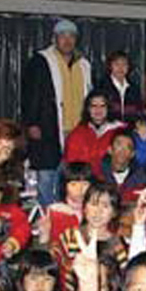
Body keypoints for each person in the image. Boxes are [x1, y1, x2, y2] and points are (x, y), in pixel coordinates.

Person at [23, 18, 92, 206]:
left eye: (71, 36)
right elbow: (29, 94)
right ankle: (49, 216)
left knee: (73, 178)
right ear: (54, 38)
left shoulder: (84, 65)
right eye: (63, 36)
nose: (67, 40)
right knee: (47, 178)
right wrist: (32, 122)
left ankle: (72, 214)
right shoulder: (41, 61)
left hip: (77, 131)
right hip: (48, 128)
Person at [51, 182, 126, 291]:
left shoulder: (116, 244)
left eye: (105, 206)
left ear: (114, 213)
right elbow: (55, 270)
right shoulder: (69, 236)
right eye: (93, 204)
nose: (98, 211)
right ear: (84, 207)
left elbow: (123, 278)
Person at [63, 89, 124, 178]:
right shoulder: (77, 134)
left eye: (102, 106)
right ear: (88, 109)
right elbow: (71, 166)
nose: (98, 110)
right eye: (94, 106)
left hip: (113, 181)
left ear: (108, 108)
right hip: (84, 180)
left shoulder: (120, 131)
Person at [99, 128, 146, 203]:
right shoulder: (98, 174)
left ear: (132, 154)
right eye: (119, 145)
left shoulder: (140, 178)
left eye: (128, 147)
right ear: (109, 149)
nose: (122, 150)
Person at [98, 49, 142, 122]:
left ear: (128, 67)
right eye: (116, 64)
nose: (120, 68)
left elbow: (138, 111)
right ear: (110, 66)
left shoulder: (134, 89)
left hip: (129, 127)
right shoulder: (101, 87)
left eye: (124, 64)